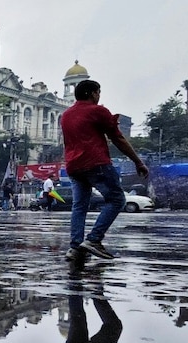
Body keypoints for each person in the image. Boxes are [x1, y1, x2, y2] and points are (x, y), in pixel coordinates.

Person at [60, 80, 150, 261]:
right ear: (92, 93)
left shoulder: (66, 115)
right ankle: (93, 239)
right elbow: (118, 139)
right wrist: (138, 162)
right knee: (117, 199)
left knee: (79, 206)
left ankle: (75, 247)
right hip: (96, 163)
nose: (99, 96)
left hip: (73, 166)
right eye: (98, 92)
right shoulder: (98, 111)